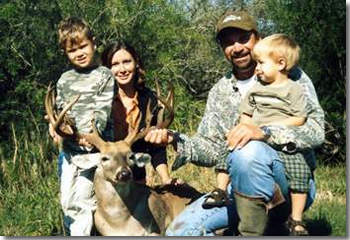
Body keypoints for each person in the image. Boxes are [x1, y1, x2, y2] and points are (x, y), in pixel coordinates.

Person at [145, 10, 324, 236]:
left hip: (290, 183)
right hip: (235, 189)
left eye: (243, 39)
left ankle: (265, 226)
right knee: (180, 232)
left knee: (248, 151)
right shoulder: (220, 91)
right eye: (228, 43)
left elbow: (316, 131)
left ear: (257, 38)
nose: (236, 47)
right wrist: (175, 139)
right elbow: (211, 148)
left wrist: (265, 132)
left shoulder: (290, 75)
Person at [53, 17, 116, 236]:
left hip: (94, 153)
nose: (79, 53)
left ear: (93, 43)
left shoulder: (104, 75)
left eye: (83, 47)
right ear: (65, 53)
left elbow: (102, 110)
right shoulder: (64, 79)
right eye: (72, 51)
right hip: (70, 153)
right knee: (67, 203)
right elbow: (60, 111)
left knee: (82, 201)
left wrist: (89, 135)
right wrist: (59, 128)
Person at [100, 41, 182, 185]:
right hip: (105, 179)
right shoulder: (99, 99)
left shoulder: (148, 99)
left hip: (135, 179)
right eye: (115, 64)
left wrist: (166, 179)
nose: (122, 69)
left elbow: (155, 147)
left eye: (127, 62)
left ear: (136, 63)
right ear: (107, 69)